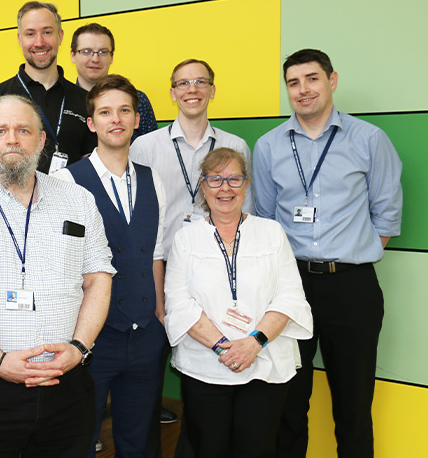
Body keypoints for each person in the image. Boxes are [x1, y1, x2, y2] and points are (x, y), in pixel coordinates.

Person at [0, 94, 114, 457]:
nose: (13, 139)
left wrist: (79, 349)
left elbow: (98, 278)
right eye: (0, 131)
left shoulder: (79, 200)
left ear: (42, 141)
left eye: (23, 130)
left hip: (67, 382)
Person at [253, 49, 403, 458]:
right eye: (294, 83)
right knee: (287, 399)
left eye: (312, 79)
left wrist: (346, 254)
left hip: (351, 286)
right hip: (289, 288)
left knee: (354, 402)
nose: (303, 90)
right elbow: (264, 217)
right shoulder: (268, 146)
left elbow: (386, 217)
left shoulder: (369, 139)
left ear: (331, 80)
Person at [164, 147, 313, 458]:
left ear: (247, 185)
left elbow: (289, 296)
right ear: (203, 186)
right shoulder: (186, 238)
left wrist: (253, 343)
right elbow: (179, 303)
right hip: (206, 365)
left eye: (234, 179)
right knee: (209, 447)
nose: (225, 188)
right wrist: (223, 347)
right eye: (216, 180)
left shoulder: (272, 233)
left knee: (257, 448)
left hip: (265, 363)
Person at [54, 74, 167, 457]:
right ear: (92, 124)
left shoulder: (155, 181)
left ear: (138, 119)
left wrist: (160, 313)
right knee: (80, 439)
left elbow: (154, 252)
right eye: (105, 112)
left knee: (139, 441)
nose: (115, 119)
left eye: (124, 110)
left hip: (146, 337)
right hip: (92, 341)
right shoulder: (65, 182)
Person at [130, 58, 254, 258]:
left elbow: (246, 213)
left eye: (200, 82)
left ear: (212, 91)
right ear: (173, 93)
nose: (192, 89)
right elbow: (136, 215)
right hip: (163, 262)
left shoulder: (235, 146)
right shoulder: (145, 147)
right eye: (183, 83)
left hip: (220, 261)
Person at [0, 1, 94, 175]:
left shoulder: (86, 100)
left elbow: (90, 171)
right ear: (20, 39)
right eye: (30, 34)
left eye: (47, 32)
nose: (39, 42)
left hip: (69, 201)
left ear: (60, 36)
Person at [70, 23, 158, 137]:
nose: (95, 59)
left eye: (103, 52)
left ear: (111, 57)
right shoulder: (63, 101)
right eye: (86, 51)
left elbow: (152, 149)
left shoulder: (139, 100)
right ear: (73, 55)